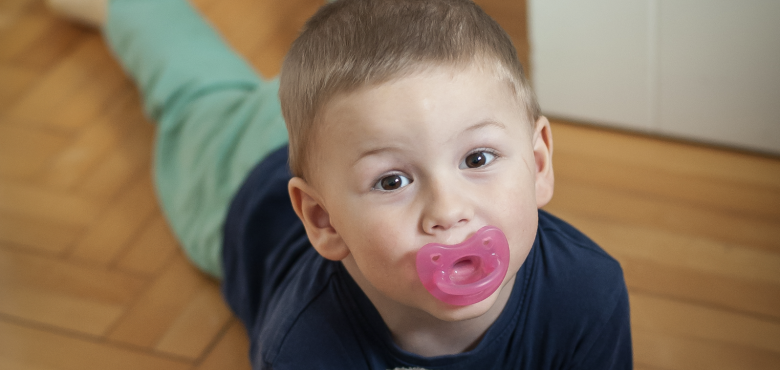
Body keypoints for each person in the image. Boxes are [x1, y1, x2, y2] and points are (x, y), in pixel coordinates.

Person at [49, 0, 633, 368]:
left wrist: (382, 165)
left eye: (478, 157)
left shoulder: (588, 290)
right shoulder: (305, 347)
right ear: (322, 221)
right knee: (189, 80)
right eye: (395, 182)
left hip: (358, 131)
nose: (448, 211)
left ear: (538, 161)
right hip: (240, 168)